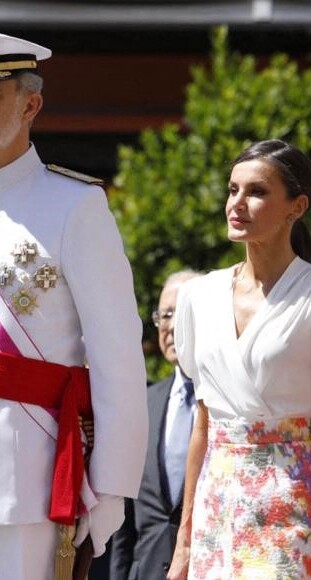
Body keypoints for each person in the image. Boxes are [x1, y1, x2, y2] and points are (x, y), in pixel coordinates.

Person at [167, 139, 311, 580]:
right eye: (232, 190)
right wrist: (184, 540)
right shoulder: (197, 296)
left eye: (256, 192)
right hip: (216, 503)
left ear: (296, 207)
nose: (237, 203)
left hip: (291, 498)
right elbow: (201, 427)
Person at [0, 33, 148, 579]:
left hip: (24, 474)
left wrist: (109, 486)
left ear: (29, 104)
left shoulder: (74, 205)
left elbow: (116, 355)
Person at [110, 270, 201, 580]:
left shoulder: (232, 405)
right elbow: (126, 517)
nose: (172, 325)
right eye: (165, 314)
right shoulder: (143, 402)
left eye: (184, 312)